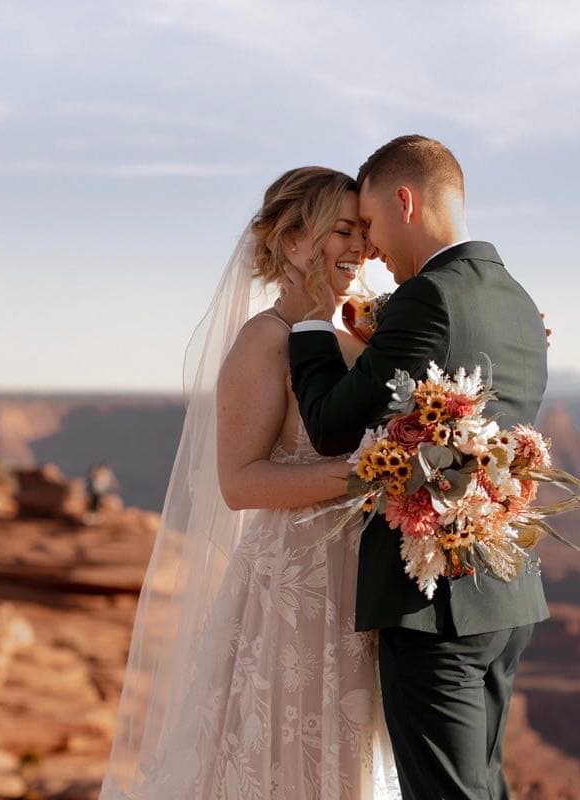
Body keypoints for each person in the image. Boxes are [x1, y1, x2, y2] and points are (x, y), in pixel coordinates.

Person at [98, 167, 400, 800]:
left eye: (364, 233)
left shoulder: (363, 342)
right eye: (342, 230)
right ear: (291, 241)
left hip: (367, 585)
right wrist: (362, 474)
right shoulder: (265, 341)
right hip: (297, 589)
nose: (361, 248)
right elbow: (239, 483)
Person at [284, 136, 549, 799]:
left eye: (369, 224)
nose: (368, 248)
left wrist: (314, 322)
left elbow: (333, 426)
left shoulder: (429, 297)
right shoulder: (515, 298)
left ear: (405, 201)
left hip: (439, 604)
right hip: (503, 595)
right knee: (482, 787)